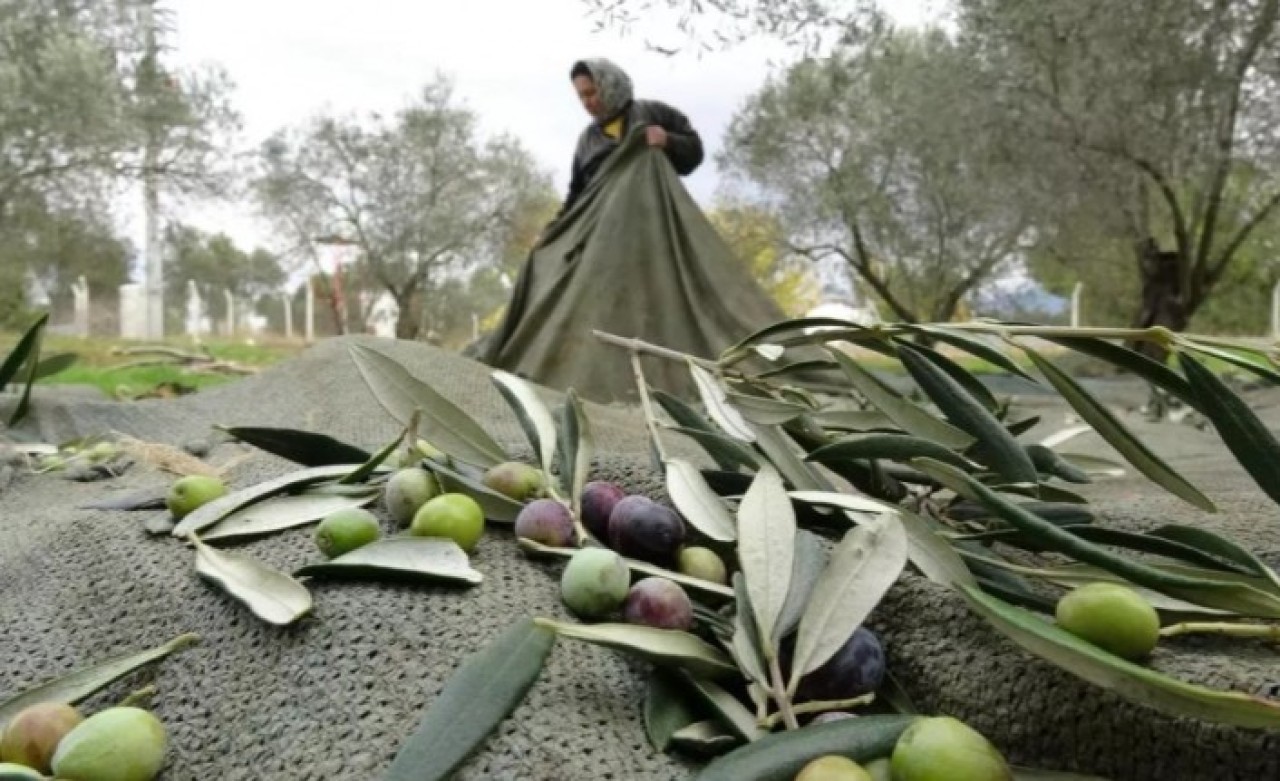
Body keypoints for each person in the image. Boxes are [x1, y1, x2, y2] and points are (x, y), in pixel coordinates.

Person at [552, 58, 705, 220]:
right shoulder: (586, 143)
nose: (586, 103)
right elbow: (576, 196)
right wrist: (552, 230)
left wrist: (668, 141)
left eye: (590, 93)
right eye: (581, 96)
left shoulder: (652, 113)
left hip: (658, 224)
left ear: (609, 85)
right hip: (607, 231)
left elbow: (695, 152)